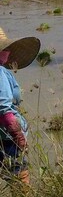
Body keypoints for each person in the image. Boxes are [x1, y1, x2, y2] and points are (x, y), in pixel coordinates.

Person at [0, 28, 40, 186]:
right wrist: (18, 135)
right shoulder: (0, 73)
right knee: (18, 171)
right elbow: (3, 106)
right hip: (7, 135)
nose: (7, 52)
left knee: (6, 169)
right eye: (4, 48)